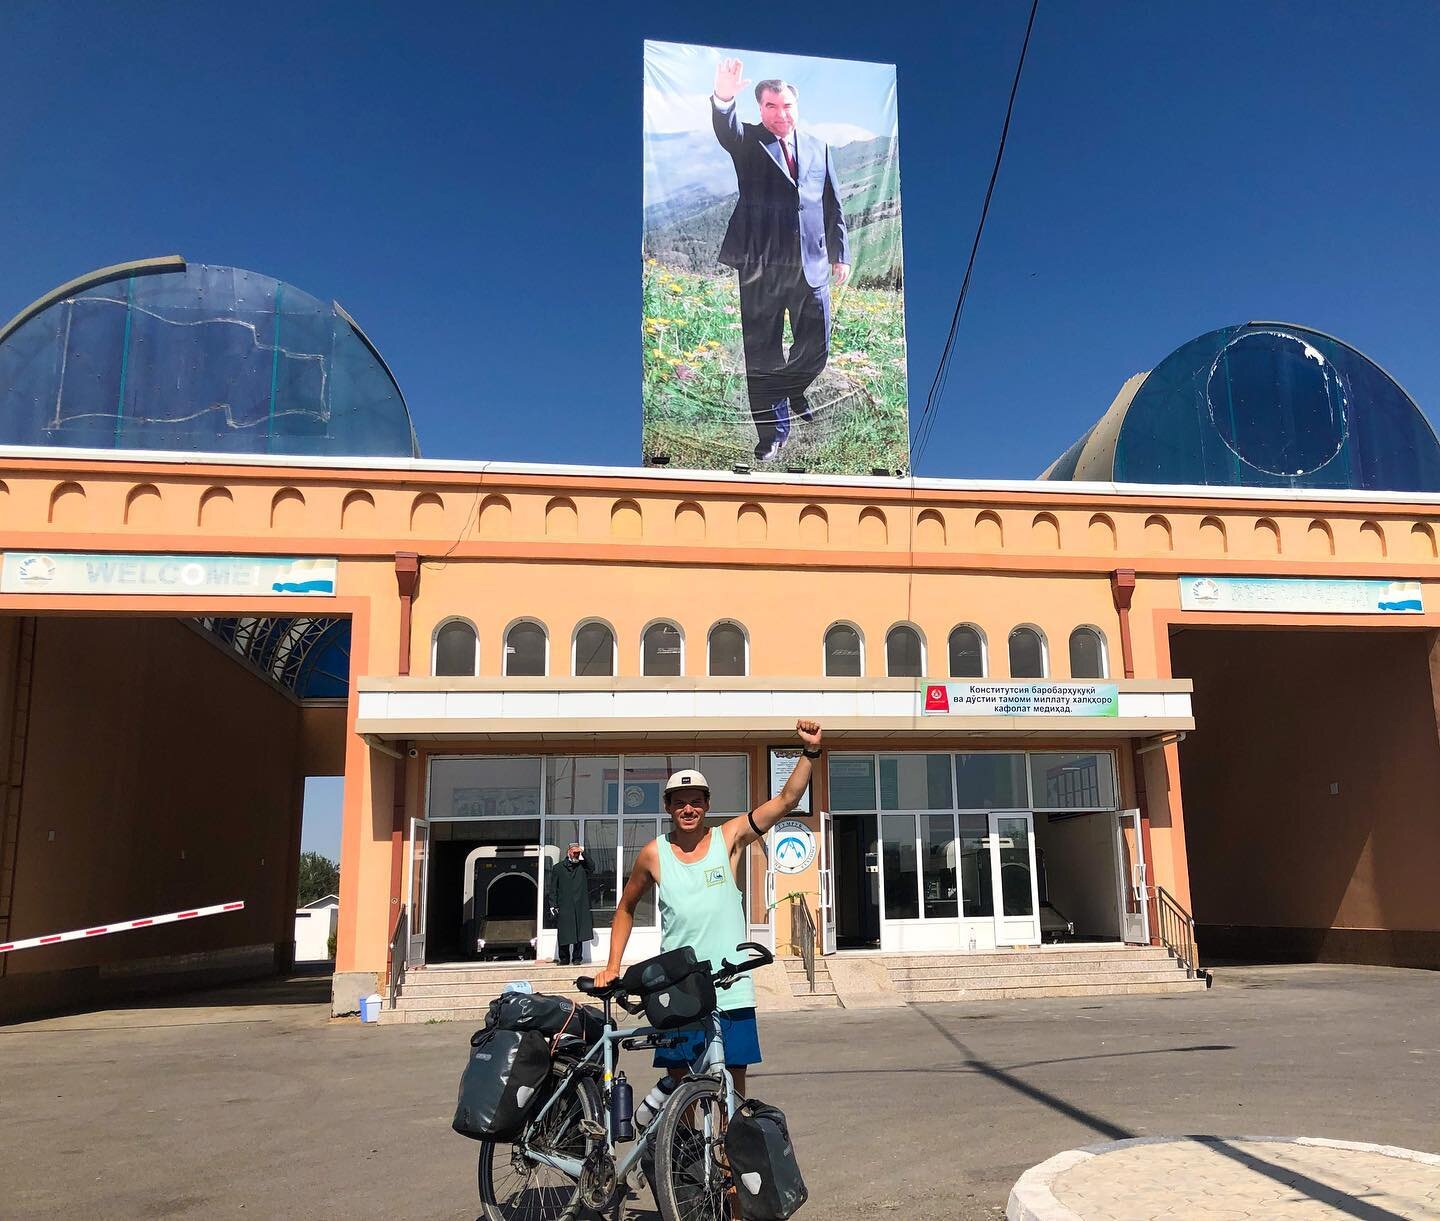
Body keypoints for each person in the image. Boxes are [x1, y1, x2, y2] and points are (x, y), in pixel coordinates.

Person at [594, 719, 823, 1097]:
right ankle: (674, 1154)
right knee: (682, 1086)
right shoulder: (654, 854)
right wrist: (613, 965)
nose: (689, 808)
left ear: (707, 805)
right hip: (677, 990)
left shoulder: (728, 839)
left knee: (733, 1082)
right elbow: (625, 908)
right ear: (667, 806)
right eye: (680, 802)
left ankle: (729, 1156)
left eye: (696, 801)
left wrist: (810, 751)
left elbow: (786, 801)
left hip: (729, 986)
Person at [710, 58, 851, 463]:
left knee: (817, 343)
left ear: (796, 106)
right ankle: (772, 432)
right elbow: (726, 127)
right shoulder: (748, 140)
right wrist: (723, 96)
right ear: (760, 109)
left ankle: (793, 385)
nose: (780, 113)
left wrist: (839, 253)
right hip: (761, 267)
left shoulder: (818, 147)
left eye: (786, 105)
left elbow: (832, 204)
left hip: (812, 264)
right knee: (763, 350)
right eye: (771, 106)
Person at [546, 841, 594, 966]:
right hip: (564, 904)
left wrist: (584, 853)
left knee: (579, 932)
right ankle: (564, 958)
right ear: (569, 852)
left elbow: (592, 867)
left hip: (580, 904)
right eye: (574, 852)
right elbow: (553, 888)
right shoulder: (558, 868)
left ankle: (577, 958)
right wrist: (553, 905)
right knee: (564, 932)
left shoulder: (582, 867)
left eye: (578, 853)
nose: (576, 855)